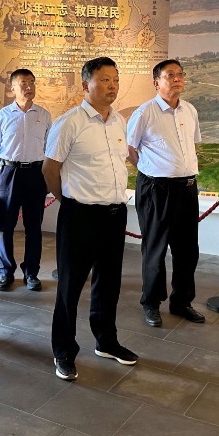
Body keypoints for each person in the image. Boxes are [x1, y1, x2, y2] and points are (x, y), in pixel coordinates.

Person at [42, 56, 138, 381]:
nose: (112, 86)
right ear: (86, 85)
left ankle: (106, 341)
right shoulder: (70, 122)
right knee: (70, 287)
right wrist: (67, 200)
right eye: (105, 79)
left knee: (109, 283)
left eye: (115, 79)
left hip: (114, 213)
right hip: (80, 215)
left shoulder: (119, 121)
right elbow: (50, 169)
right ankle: (63, 351)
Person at [127, 59, 205, 327]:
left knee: (187, 250)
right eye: (170, 75)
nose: (177, 78)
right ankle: (151, 302)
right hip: (156, 189)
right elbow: (129, 149)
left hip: (187, 188)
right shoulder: (145, 112)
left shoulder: (190, 110)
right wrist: (150, 169)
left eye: (180, 74)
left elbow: (192, 145)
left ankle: (182, 301)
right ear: (156, 82)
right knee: (155, 249)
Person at [0, 68, 51, 292]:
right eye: (23, 83)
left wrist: (49, 178)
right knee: (5, 226)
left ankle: (31, 272)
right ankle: (6, 272)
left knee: (34, 226)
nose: (29, 87)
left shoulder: (44, 115)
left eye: (32, 82)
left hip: (35, 173)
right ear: (12, 87)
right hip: (8, 173)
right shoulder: (2, 116)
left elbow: (49, 149)